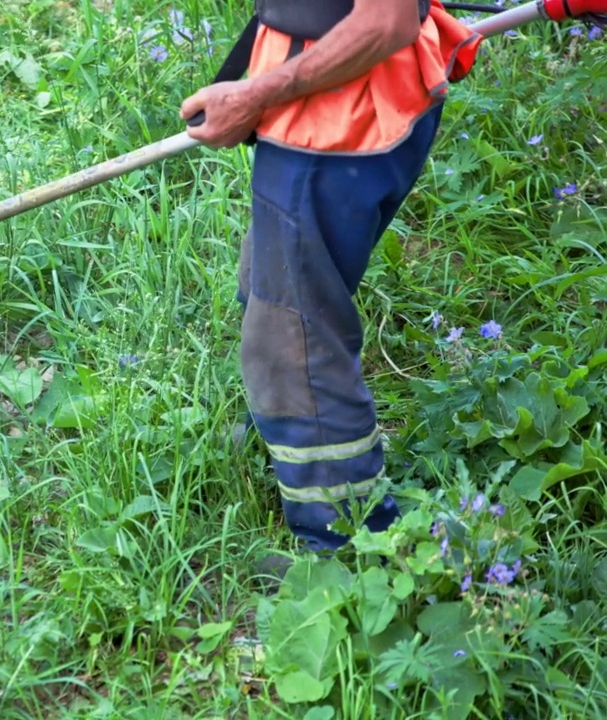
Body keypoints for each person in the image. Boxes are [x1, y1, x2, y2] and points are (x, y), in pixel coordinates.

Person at [178, 0, 481, 565]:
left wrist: (254, 95)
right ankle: (281, 446)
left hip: (337, 120)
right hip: (355, 99)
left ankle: (349, 545)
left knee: (293, 345)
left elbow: (383, 21)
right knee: (270, 285)